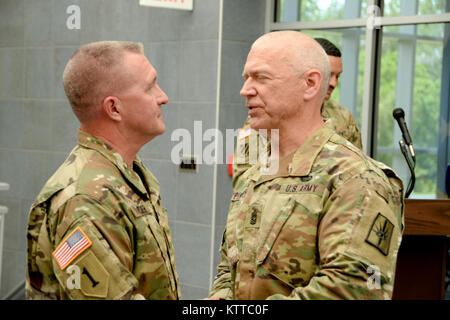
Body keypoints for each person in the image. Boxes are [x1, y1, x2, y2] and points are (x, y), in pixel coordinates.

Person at [209, 31, 404, 300]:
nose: (245, 90)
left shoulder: (355, 179)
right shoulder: (254, 176)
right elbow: (231, 269)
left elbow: (350, 288)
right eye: (246, 78)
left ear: (310, 84)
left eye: (261, 78)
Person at [26, 41, 180, 300]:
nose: (162, 97)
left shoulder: (127, 175)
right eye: (150, 87)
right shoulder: (85, 199)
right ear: (114, 108)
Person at [232, 37, 362, 187]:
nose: (333, 83)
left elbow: (354, 163)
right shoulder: (268, 116)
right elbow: (243, 174)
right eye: (329, 74)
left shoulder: (343, 116)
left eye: (337, 76)